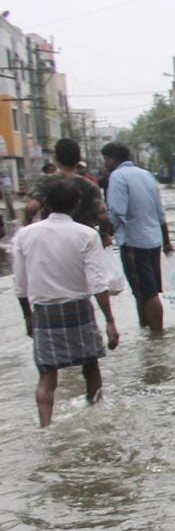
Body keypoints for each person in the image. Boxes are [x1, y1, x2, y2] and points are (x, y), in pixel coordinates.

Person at [12, 178, 119, 426]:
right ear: (76, 205)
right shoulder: (86, 234)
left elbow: (20, 284)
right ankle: (96, 417)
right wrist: (110, 321)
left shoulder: (25, 235)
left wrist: (28, 317)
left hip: (44, 311)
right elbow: (97, 283)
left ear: (46, 205)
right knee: (91, 367)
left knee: (47, 376)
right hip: (79, 308)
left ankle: (45, 428)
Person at [103, 141, 173, 331]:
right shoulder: (146, 175)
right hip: (153, 240)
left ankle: (156, 334)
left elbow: (117, 212)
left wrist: (106, 234)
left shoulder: (117, 176)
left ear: (112, 159)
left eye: (105, 160)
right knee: (145, 290)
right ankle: (147, 329)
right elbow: (160, 211)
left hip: (134, 241)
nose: (104, 165)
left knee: (146, 292)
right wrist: (166, 241)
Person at [26, 139, 110, 242]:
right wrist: (104, 236)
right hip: (82, 240)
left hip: (52, 240)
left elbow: (32, 207)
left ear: (56, 158)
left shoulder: (46, 182)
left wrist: (27, 226)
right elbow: (103, 216)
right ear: (78, 159)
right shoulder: (90, 185)